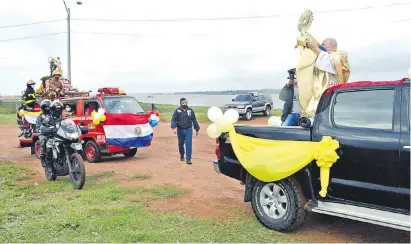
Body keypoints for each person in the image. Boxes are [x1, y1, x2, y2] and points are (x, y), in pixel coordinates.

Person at [171, 98, 200, 165]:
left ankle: (188, 159)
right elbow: (173, 120)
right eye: (183, 103)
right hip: (180, 130)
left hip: (188, 130)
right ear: (180, 104)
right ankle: (182, 155)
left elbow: (194, 120)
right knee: (181, 144)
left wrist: (197, 129)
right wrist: (173, 127)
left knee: (188, 144)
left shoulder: (190, 111)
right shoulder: (177, 111)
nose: (185, 104)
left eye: (186, 103)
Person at [36, 99, 53, 167]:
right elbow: (38, 127)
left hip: (53, 132)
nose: (47, 109)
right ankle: (42, 157)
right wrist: (43, 131)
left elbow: (59, 121)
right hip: (44, 133)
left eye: (49, 107)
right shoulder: (40, 117)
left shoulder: (53, 115)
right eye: (46, 107)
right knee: (43, 140)